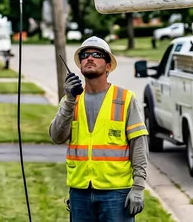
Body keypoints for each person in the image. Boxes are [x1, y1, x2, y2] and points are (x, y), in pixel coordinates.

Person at [50, 36, 148, 222]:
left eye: (97, 54)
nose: (89, 58)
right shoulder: (71, 100)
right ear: (80, 66)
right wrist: (69, 101)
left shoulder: (125, 98)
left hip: (116, 194)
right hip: (80, 193)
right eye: (85, 55)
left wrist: (138, 186)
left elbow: (139, 143)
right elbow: (56, 136)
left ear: (108, 65)